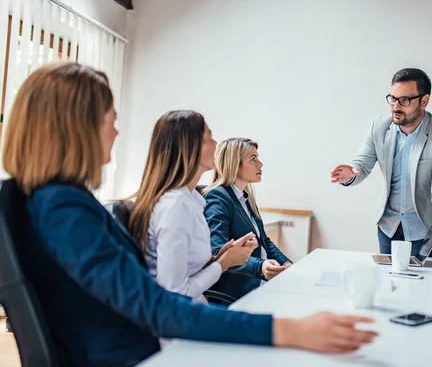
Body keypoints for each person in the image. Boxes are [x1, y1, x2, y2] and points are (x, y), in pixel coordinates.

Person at [2, 62, 378, 366]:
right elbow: (156, 306)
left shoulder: (47, 200)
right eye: (110, 120)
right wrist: (289, 331)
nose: (116, 132)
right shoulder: (63, 209)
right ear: (78, 127)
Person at [330, 68, 432, 266]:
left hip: (423, 229)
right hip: (388, 226)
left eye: (405, 100)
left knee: (424, 289)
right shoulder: (379, 127)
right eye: (393, 98)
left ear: (424, 101)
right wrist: (350, 175)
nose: (396, 106)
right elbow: (361, 165)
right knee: (390, 288)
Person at [128, 111, 257, 305]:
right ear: (189, 147)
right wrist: (223, 264)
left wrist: (217, 259)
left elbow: (187, 271)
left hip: (196, 310)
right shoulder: (175, 206)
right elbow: (174, 293)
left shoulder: (192, 200)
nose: (215, 144)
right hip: (181, 323)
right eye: (209, 138)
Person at [204, 138, 292, 299]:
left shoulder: (245, 198)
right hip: (238, 290)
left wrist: (286, 263)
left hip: (257, 281)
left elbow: (264, 241)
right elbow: (217, 251)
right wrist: (260, 266)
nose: (260, 164)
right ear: (234, 163)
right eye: (253, 159)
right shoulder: (217, 197)